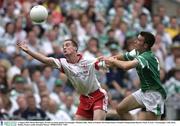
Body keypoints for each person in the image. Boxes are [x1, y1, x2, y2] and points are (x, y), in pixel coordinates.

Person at [17, 39, 108, 120]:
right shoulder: (63, 63)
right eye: (63, 46)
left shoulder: (88, 61)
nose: (64, 47)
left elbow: (108, 62)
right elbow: (45, 60)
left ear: (75, 48)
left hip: (98, 96)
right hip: (84, 98)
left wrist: (116, 60)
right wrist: (28, 51)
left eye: (67, 45)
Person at [101, 31, 167, 120]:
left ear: (145, 45)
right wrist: (106, 60)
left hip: (154, 95)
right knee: (120, 109)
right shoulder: (137, 52)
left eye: (139, 40)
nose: (135, 41)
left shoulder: (147, 57)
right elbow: (122, 57)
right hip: (143, 91)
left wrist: (112, 61)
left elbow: (126, 66)